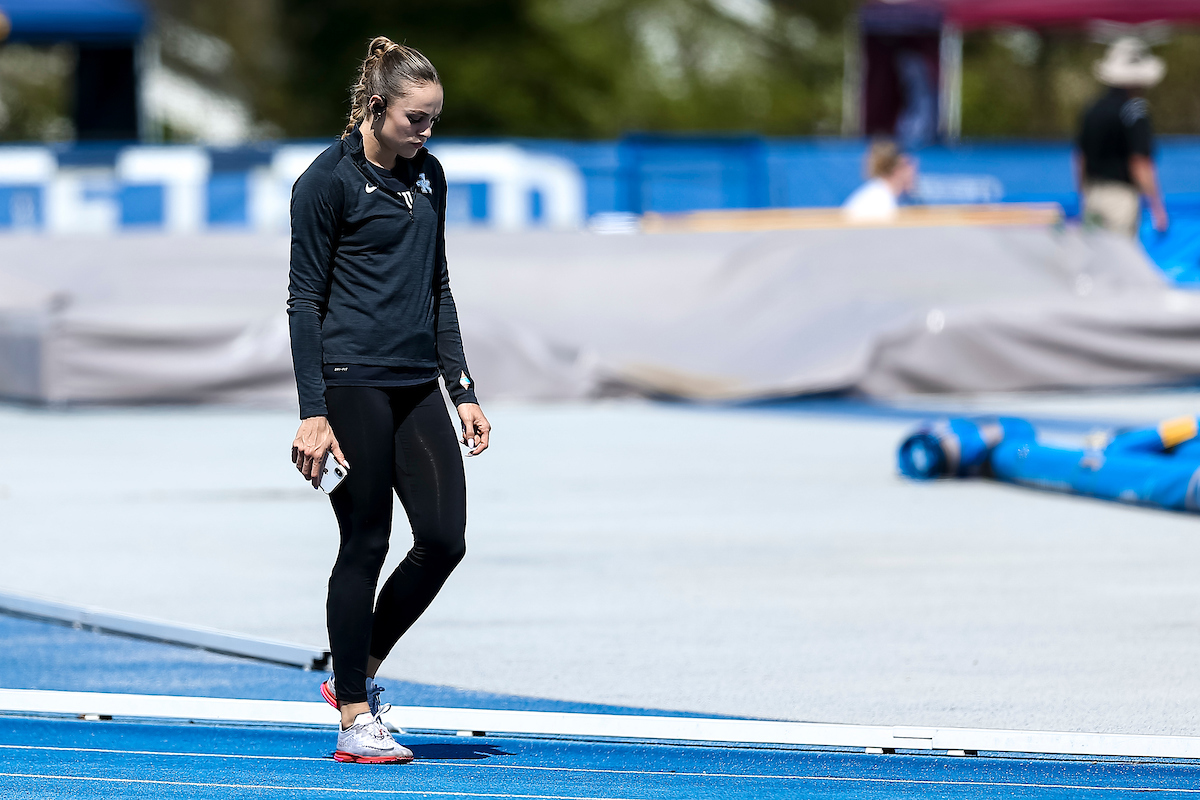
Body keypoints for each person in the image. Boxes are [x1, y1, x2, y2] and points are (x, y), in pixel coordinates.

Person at [287, 36, 491, 764]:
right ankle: (352, 718)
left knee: (443, 541)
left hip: (415, 385)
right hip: (349, 385)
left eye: (434, 120)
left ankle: (356, 668)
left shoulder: (428, 175)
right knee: (366, 541)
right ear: (378, 107)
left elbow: (438, 287)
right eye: (416, 119)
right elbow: (303, 302)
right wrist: (313, 411)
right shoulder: (325, 182)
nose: (427, 134)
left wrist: (460, 388)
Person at [1076, 37, 1169, 238]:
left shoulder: (1093, 109)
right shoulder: (1135, 110)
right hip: (1120, 198)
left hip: (1093, 195)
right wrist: (1157, 207)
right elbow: (1139, 162)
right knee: (1121, 260)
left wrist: (1084, 195)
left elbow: (1080, 158)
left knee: (1096, 258)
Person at [842, 140, 916, 222]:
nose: (913, 171)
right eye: (909, 164)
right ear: (898, 167)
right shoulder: (880, 202)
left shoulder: (880, 195)